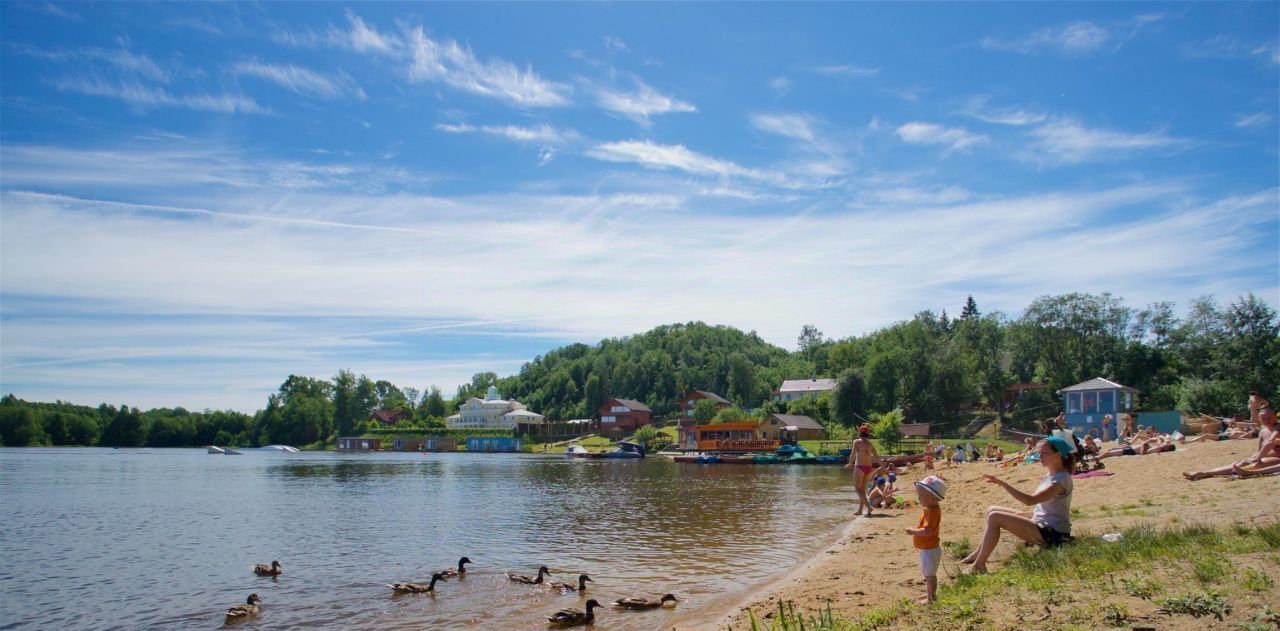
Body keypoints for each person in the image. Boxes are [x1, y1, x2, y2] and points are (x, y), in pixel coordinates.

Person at [961, 437, 1076, 574]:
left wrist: (1003, 484)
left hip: (1054, 534)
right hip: (1042, 524)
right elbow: (1049, 507)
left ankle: (979, 565)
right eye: (1039, 452)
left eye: (1044, 453)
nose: (1039, 456)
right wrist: (1031, 515)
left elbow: (1030, 500)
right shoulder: (1050, 475)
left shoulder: (1061, 478)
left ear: (1058, 455)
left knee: (995, 516)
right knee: (991, 509)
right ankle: (978, 553)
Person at [1185, 408, 1280, 481]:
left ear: (1275, 417)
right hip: (1270, 456)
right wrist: (1253, 458)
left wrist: (1257, 458)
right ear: (1260, 419)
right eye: (1264, 418)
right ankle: (1205, 472)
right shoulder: (1262, 432)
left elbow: (1270, 442)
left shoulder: (1278, 427)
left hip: (1276, 458)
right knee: (1241, 463)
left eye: (1269, 417)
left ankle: (1248, 472)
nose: (1267, 420)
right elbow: (1260, 450)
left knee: (1257, 463)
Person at [906, 475, 947, 604]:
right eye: (919, 495)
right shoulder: (930, 509)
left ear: (935, 497)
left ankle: (931, 597)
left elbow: (927, 530)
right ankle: (930, 593)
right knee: (928, 573)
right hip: (928, 548)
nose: (919, 498)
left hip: (930, 549)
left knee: (930, 575)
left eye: (922, 496)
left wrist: (912, 531)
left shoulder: (932, 512)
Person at [843, 424, 882, 516]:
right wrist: (884, 468)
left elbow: (852, 454)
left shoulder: (856, 441)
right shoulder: (870, 444)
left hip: (859, 467)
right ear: (868, 434)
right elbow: (877, 457)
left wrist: (850, 463)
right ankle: (860, 510)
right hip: (869, 468)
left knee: (857, 489)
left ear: (860, 432)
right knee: (863, 490)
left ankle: (869, 507)